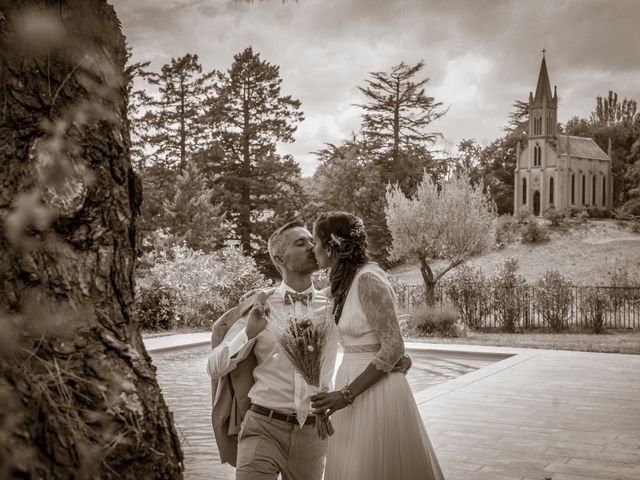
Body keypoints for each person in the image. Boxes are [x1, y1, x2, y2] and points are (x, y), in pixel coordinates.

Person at [310, 212, 445, 480]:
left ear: (330, 246)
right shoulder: (344, 283)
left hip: (375, 392)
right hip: (349, 383)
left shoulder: (368, 280)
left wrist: (345, 395)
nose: (313, 249)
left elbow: (393, 345)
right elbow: (308, 300)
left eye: (314, 242)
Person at [207, 221, 338, 480]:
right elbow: (214, 366)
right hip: (262, 426)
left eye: (312, 241)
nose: (312, 246)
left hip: (314, 432)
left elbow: (364, 341)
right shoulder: (259, 306)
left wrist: (391, 356)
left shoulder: (335, 305)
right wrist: (248, 333)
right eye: (300, 243)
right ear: (279, 258)